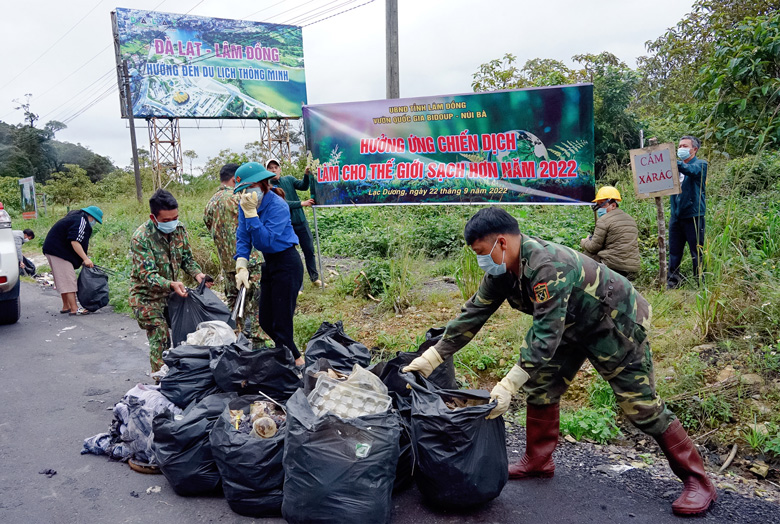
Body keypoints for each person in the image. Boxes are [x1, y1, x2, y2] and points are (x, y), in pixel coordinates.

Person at [402, 207, 717, 516]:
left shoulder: (547, 266)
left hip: (613, 323)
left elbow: (544, 337)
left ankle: (697, 481)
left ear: (501, 243)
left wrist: (507, 384)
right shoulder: (501, 269)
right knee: (542, 385)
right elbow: (473, 314)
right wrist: (431, 357)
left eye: (481, 252)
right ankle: (539, 461)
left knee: (641, 406)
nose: (481, 260)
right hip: (570, 325)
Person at [130, 189, 209, 373]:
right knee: (160, 336)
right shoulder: (141, 238)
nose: (172, 223)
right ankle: (161, 381)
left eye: (175, 218)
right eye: (166, 221)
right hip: (146, 298)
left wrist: (198, 275)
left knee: (188, 334)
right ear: (153, 217)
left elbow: (187, 259)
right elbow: (147, 275)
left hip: (172, 296)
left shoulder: (179, 229)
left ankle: (182, 376)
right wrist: (171, 284)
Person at [234, 162, 305, 366]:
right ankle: (293, 358)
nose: (247, 193)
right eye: (243, 190)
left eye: (250, 187)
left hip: (287, 263)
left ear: (263, 184)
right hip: (270, 264)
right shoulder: (246, 204)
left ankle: (294, 363)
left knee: (282, 324)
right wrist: (241, 265)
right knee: (266, 321)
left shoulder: (278, 206)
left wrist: (252, 215)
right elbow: (243, 236)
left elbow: (266, 241)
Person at [204, 163, 262, 343]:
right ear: (234, 179)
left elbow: (208, 226)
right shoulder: (240, 198)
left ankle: (234, 341)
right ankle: (257, 342)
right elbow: (255, 220)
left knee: (234, 304)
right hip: (248, 260)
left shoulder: (210, 203)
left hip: (228, 264)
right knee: (256, 303)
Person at [266, 158, 325, 290]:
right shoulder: (267, 187)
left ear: (280, 169)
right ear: (267, 171)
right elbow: (281, 204)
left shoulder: (289, 179)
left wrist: (306, 174)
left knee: (309, 249)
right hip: (286, 226)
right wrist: (301, 203)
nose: (274, 170)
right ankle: (298, 285)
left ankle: (314, 278)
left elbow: (304, 186)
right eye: (270, 168)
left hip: (301, 221)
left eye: (276, 167)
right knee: (293, 256)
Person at [42, 206, 103, 315]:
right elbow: (75, 241)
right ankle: (74, 308)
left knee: (62, 278)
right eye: (95, 220)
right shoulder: (81, 220)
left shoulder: (75, 218)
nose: (94, 223)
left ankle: (66, 306)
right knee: (68, 279)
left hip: (53, 249)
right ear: (90, 216)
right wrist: (86, 258)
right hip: (58, 251)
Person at [668, 135, 707, 289]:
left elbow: (691, 170)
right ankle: (672, 284)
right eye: (679, 146)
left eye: (685, 146)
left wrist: (673, 162)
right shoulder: (675, 168)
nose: (681, 149)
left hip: (693, 215)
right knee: (674, 252)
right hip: (676, 216)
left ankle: (701, 284)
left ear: (694, 149)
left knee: (696, 252)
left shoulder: (701, 164)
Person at [580, 186, 641, 280]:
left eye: (602, 204)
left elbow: (593, 247)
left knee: (587, 254)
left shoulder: (603, 220)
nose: (599, 209)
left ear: (613, 205)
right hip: (632, 267)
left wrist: (585, 242)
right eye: (598, 205)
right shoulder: (630, 219)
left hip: (613, 266)